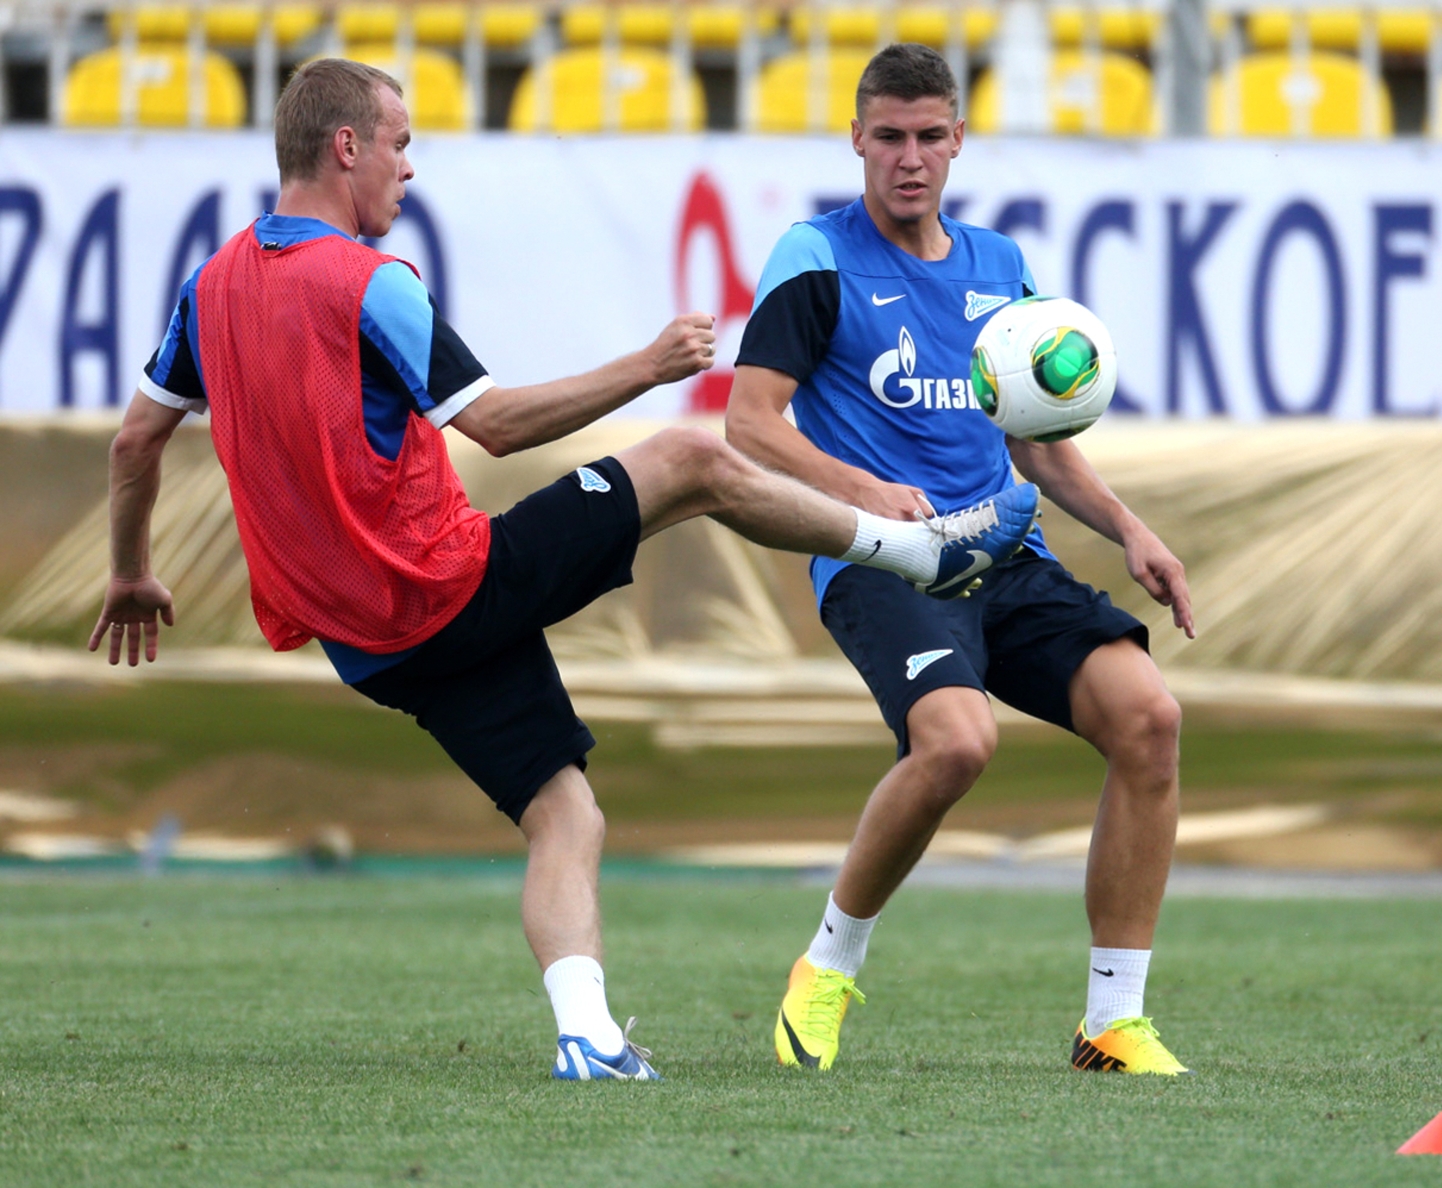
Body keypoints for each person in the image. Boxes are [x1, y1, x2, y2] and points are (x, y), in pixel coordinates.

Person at [89, 58, 1038, 1083]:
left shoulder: (209, 286)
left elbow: (135, 443)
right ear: (345, 149)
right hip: (443, 584)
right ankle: (917, 550)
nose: (410, 170)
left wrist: (131, 572)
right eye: (401, 145)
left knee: (565, 810)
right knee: (688, 460)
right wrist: (646, 366)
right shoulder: (370, 283)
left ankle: (586, 1036)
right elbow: (493, 426)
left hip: (367, 646)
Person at [725, 43, 1197, 1076]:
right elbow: (749, 425)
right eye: (887, 136)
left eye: (928, 136)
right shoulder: (816, 257)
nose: (908, 158)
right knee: (955, 744)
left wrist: (1129, 529)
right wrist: (861, 493)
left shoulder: (1001, 269)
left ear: (957, 142)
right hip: (885, 562)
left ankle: (1112, 1022)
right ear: (855, 139)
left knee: (1150, 718)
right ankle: (828, 966)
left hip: (1004, 555)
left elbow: (1033, 443)